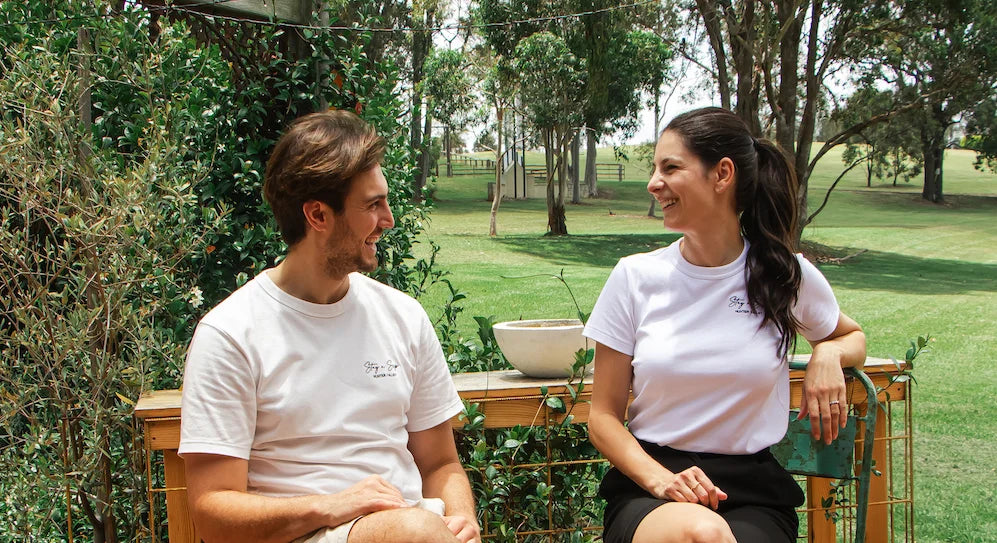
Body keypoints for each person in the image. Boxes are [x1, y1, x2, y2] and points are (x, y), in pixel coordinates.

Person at [178, 110, 480, 543]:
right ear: (318, 215)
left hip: (413, 527)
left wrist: (462, 517)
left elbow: (440, 465)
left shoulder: (402, 316)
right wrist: (331, 505)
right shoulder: (231, 335)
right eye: (373, 204)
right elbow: (212, 510)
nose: (388, 219)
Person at [584, 107, 866, 543]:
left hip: (754, 495)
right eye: (654, 168)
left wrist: (827, 352)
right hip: (652, 488)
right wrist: (662, 480)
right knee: (702, 534)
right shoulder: (634, 277)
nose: (653, 183)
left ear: (722, 174)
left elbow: (851, 336)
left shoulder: (783, 274)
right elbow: (602, 416)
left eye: (670, 168)